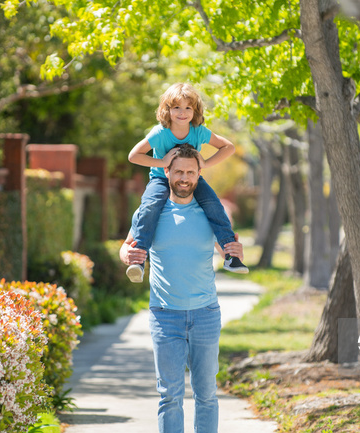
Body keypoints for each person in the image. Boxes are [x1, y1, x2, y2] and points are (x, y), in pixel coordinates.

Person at [119, 144, 245, 433]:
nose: (184, 178)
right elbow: (127, 247)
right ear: (167, 172)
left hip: (205, 315)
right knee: (170, 396)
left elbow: (228, 249)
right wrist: (129, 256)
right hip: (165, 316)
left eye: (190, 172)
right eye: (179, 172)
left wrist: (236, 250)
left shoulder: (211, 213)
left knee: (207, 395)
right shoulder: (151, 211)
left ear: (199, 174)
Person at [125, 82, 248, 283]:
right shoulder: (160, 132)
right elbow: (134, 155)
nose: (182, 113)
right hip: (160, 178)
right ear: (167, 109)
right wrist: (163, 162)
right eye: (176, 108)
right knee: (149, 207)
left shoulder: (199, 131)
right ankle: (138, 259)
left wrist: (205, 163)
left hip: (192, 178)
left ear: (195, 110)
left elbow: (229, 147)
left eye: (188, 108)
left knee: (214, 205)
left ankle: (231, 256)